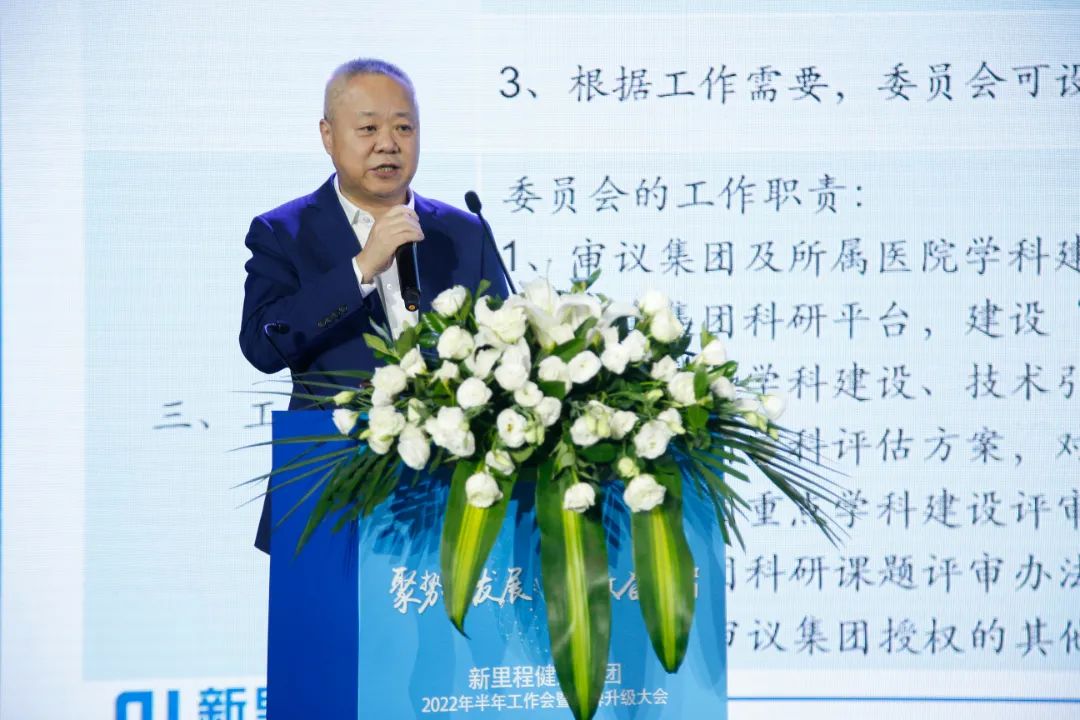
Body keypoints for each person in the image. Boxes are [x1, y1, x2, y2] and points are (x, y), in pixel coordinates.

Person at [239, 58, 510, 553]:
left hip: (454, 490)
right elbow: (263, 345)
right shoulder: (283, 232)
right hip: (329, 490)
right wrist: (360, 268)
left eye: (403, 128)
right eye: (368, 128)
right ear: (328, 135)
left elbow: (505, 353)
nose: (388, 143)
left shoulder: (465, 233)